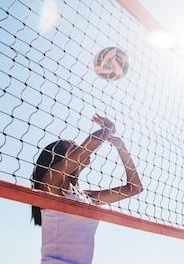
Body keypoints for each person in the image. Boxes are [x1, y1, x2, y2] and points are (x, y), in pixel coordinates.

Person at [31, 113, 143, 264]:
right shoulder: (52, 184)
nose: (78, 147)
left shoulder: (87, 197)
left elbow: (134, 188)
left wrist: (121, 147)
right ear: (60, 158)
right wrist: (108, 128)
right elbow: (91, 144)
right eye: (73, 146)